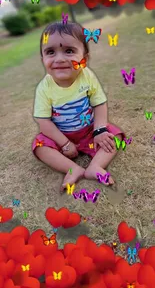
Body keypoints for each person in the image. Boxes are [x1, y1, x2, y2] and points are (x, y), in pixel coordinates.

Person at [32, 20, 124, 191]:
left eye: (69, 51)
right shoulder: (44, 88)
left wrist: (99, 131)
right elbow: (44, 122)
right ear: (43, 59)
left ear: (85, 58)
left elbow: (99, 104)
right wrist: (65, 143)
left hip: (89, 131)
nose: (59, 59)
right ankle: (72, 169)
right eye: (50, 52)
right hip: (60, 135)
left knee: (114, 136)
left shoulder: (87, 76)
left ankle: (95, 167)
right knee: (40, 146)